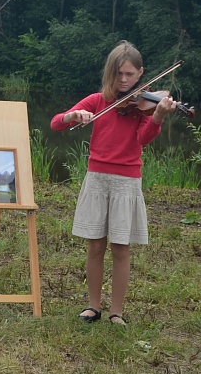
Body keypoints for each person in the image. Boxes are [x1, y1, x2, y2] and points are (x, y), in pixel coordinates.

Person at [50, 41, 178, 327]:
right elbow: (56, 123)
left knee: (121, 247)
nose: (124, 81)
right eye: (119, 74)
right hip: (97, 178)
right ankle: (93, 306)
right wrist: (73, 115)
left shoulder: (143, 105)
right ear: (110, 73)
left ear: (140, 73)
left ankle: (116, 311)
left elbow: (143, 140)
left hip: (126, 182)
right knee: (95, 245)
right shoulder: (98, 101)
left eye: (130, 75)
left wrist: (158, 115)